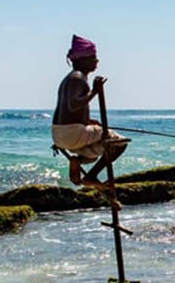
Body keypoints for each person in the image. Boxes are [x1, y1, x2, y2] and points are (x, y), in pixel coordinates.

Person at [52, 34, 131, 188]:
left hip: (60, 134)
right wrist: (95, 91)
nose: (97, 61)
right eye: (93, 57)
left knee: (95, 152)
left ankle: (78, 161)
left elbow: (64, 111)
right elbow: (74, 105)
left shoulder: (69, 79)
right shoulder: (78, 77)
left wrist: (87, 121)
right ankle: (91, 176)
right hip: (72, 133)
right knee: (120, 143)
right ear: (82, 60)